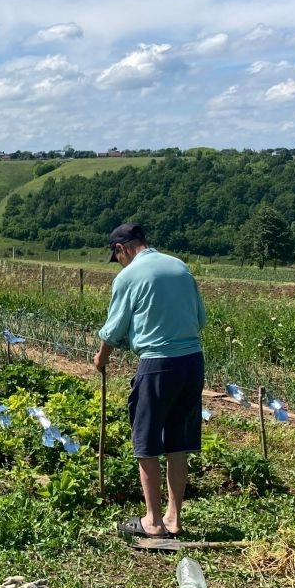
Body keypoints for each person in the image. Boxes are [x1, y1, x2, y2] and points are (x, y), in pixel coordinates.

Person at [93, 223, 206, 538]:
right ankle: (174, 519)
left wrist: (101, 360)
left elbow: (113, 329)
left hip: (158, 365)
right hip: (193, 362)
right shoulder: (180, 267)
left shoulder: (128, 276)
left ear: (122, 249)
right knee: (178, 442)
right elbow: (200, 319)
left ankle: (153, 522)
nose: (120, 264)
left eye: (117, 258)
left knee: (146, 442)